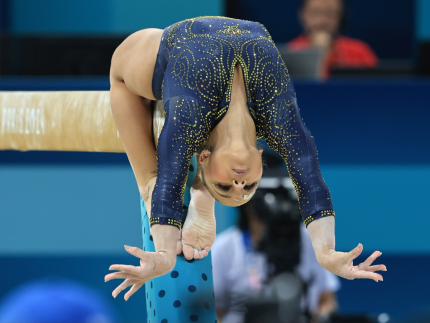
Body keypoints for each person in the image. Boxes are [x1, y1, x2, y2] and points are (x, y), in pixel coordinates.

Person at [104, 16, 386, 304]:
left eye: (225, 187)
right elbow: (310, 180)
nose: (239, 184)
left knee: (119, 74)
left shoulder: (189, 117)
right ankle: (203, 190)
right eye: (248, 186)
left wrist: (164, 254)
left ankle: (150, 186)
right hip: (217, 49)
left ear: (203, 158)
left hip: (168, 52)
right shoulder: (279, 120)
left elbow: (170, 181)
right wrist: (326, 253)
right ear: (261, 160)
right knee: (178, 149)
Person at [212, 187, 340, 323]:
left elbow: (327, 300)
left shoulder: (310, 240)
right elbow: (215, 313)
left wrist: (321, 316)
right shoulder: (223, 248)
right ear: (248, 205)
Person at [288, 0, 378, 78]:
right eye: (315, 12)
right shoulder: (290, 52)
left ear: (340, 16)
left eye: (330, 13)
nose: (322, 20)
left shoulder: (360, 52)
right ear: (302, 15)